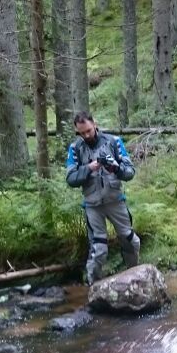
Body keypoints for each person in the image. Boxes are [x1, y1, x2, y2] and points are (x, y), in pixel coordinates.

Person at [65, 111, 139, 284]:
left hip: (115, 200)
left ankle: (135, 277)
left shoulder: (114, 142)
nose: (86, 135)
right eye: (82, 133)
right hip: (92, 205)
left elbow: (130, 172)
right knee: (99, 249)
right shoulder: (75, 148)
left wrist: (116, 168)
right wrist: (89, 168)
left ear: (94, 124)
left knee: (131, 241)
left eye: (88, 131)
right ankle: (94, 286)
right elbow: (71, 178)